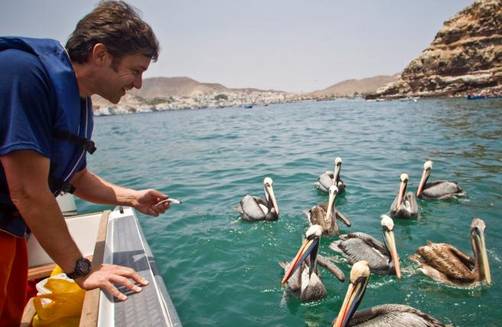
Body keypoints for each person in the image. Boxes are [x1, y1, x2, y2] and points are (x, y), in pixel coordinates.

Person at [0, 1, 170, 325]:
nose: (138, 84)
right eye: (136, 71)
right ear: (101, 54)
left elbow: (75, 178)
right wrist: (82, 269)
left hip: (13, 231)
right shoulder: (24, 75)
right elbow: (27, 191)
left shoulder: (79, 103)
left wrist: (134, 198)